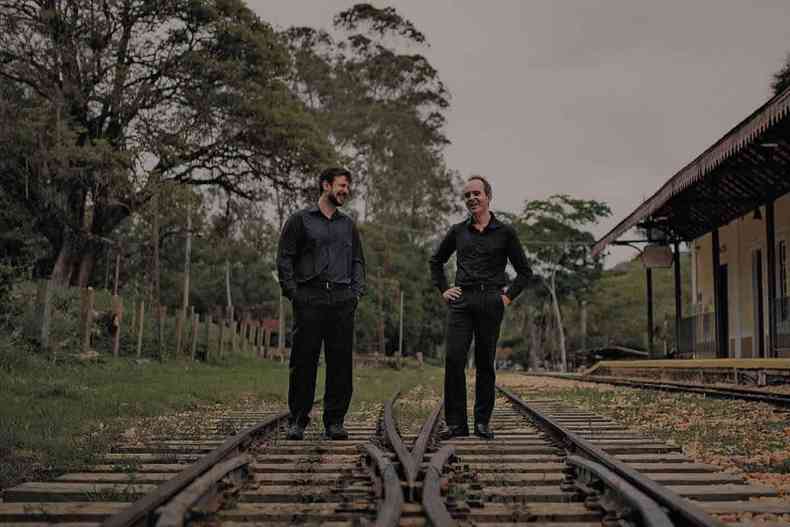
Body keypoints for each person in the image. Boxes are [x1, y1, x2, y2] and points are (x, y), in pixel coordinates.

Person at [429, 175, 531, 440]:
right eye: (467, 196)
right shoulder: (457, 231)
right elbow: (436, 261)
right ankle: (456, 425)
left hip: (491, 302)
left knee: (485, 363)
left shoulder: (506, 232)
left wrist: (506, 298)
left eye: (477, 193)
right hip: (461, 301)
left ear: (488, 196)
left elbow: (524, 272)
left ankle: (482, 422)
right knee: (454, 359)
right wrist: (443, 289)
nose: (472, 198)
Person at [277, 167, 365, 440]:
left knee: (340, 364)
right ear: (325, 185)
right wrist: (294, 293)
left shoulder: (348, 225)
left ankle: (334, 422)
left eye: (347, 187)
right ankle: (297, 421)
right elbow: (284, 259)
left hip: (341, 300)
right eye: (341, 185)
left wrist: (355, 293)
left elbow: (358, 262)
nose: (345, 191)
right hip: (310, 298)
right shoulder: (299, 221)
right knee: (304, 361)